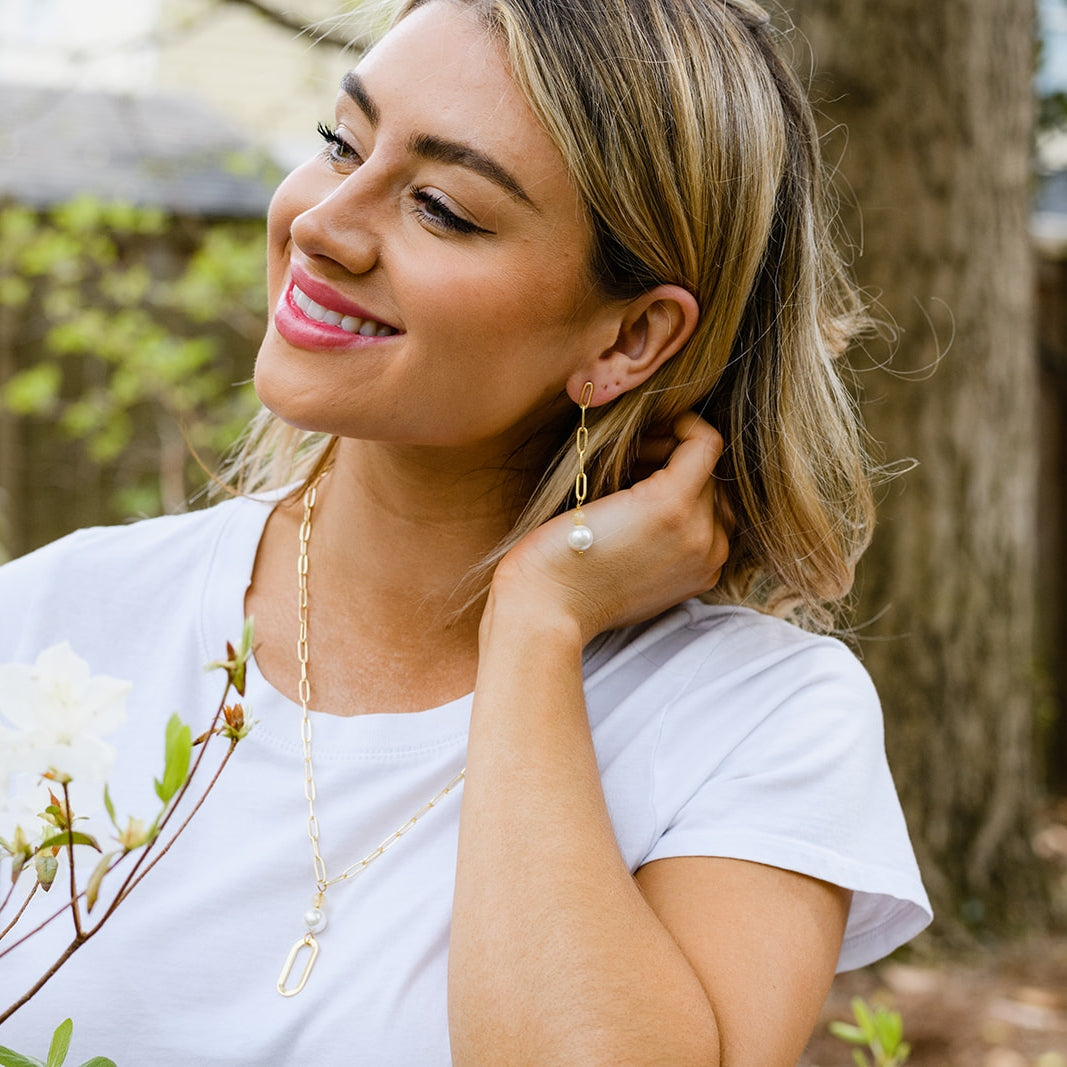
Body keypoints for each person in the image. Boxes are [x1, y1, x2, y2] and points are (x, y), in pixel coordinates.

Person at [0, 0, 931, 1062]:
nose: (319, 221)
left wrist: (537, 622)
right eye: (338, 144)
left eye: (439, 206)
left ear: (628, 337)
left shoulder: (755, 721)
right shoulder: (52, 621)